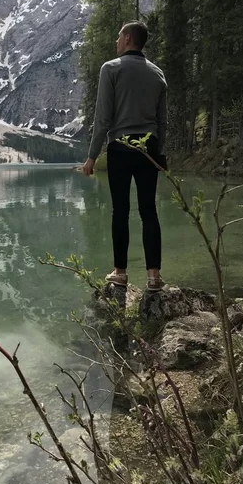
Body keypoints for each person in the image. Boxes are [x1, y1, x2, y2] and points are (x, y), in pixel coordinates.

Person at [82, 21, 167, 291]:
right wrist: (159, 153)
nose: (116, 41)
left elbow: (103, 117)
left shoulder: (111, 68)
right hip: (149, 148)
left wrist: (92, 156)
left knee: (120, 211)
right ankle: (154, 277)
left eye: (119, 36)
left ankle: (120, 272)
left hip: (120, 147)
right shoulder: (158, 74)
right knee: (149, 211)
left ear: (128, 38)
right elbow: (162, 121)